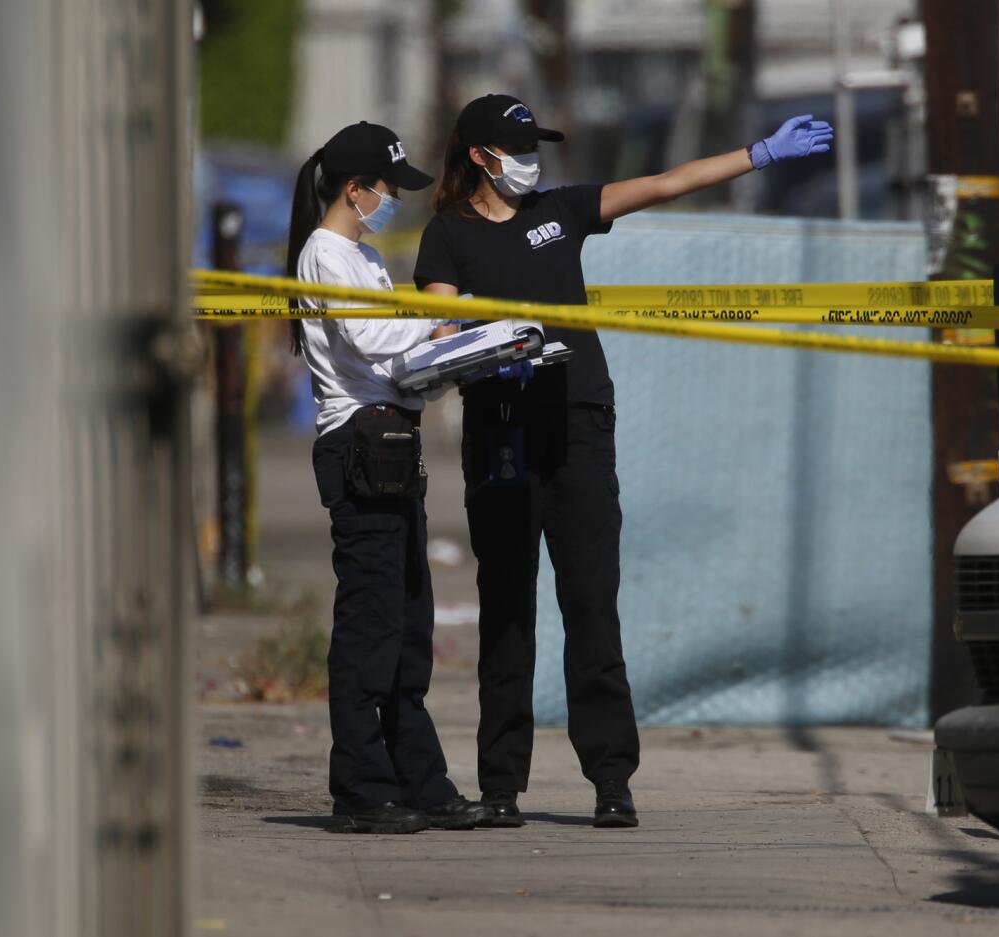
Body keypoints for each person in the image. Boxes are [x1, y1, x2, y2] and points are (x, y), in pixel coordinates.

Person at [414, 94, 833, 829]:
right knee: (509, 611)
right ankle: (501, 785)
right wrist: (490, 346)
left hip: (577, 427)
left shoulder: (562, 210)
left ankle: (611, 779)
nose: (531, 160)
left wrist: (758, 155)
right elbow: (438, 327)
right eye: (516, 149)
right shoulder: (447, 236)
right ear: (479, 158)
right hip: (501, 428)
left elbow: (666, 182)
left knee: (591, 606)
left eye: (534, 146)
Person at [286, 121, 485, 834]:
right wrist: (437, 320)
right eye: (386, 189)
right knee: (369, 628)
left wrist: (455, 353)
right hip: (357, 450)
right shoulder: (325, 255)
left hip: (395, 445)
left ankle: (418, 777)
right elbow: (369, 339)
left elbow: (397, 365)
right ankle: (361, 786)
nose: (390, 201)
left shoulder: (365, 259)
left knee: (407, 626)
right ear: (354, 189)